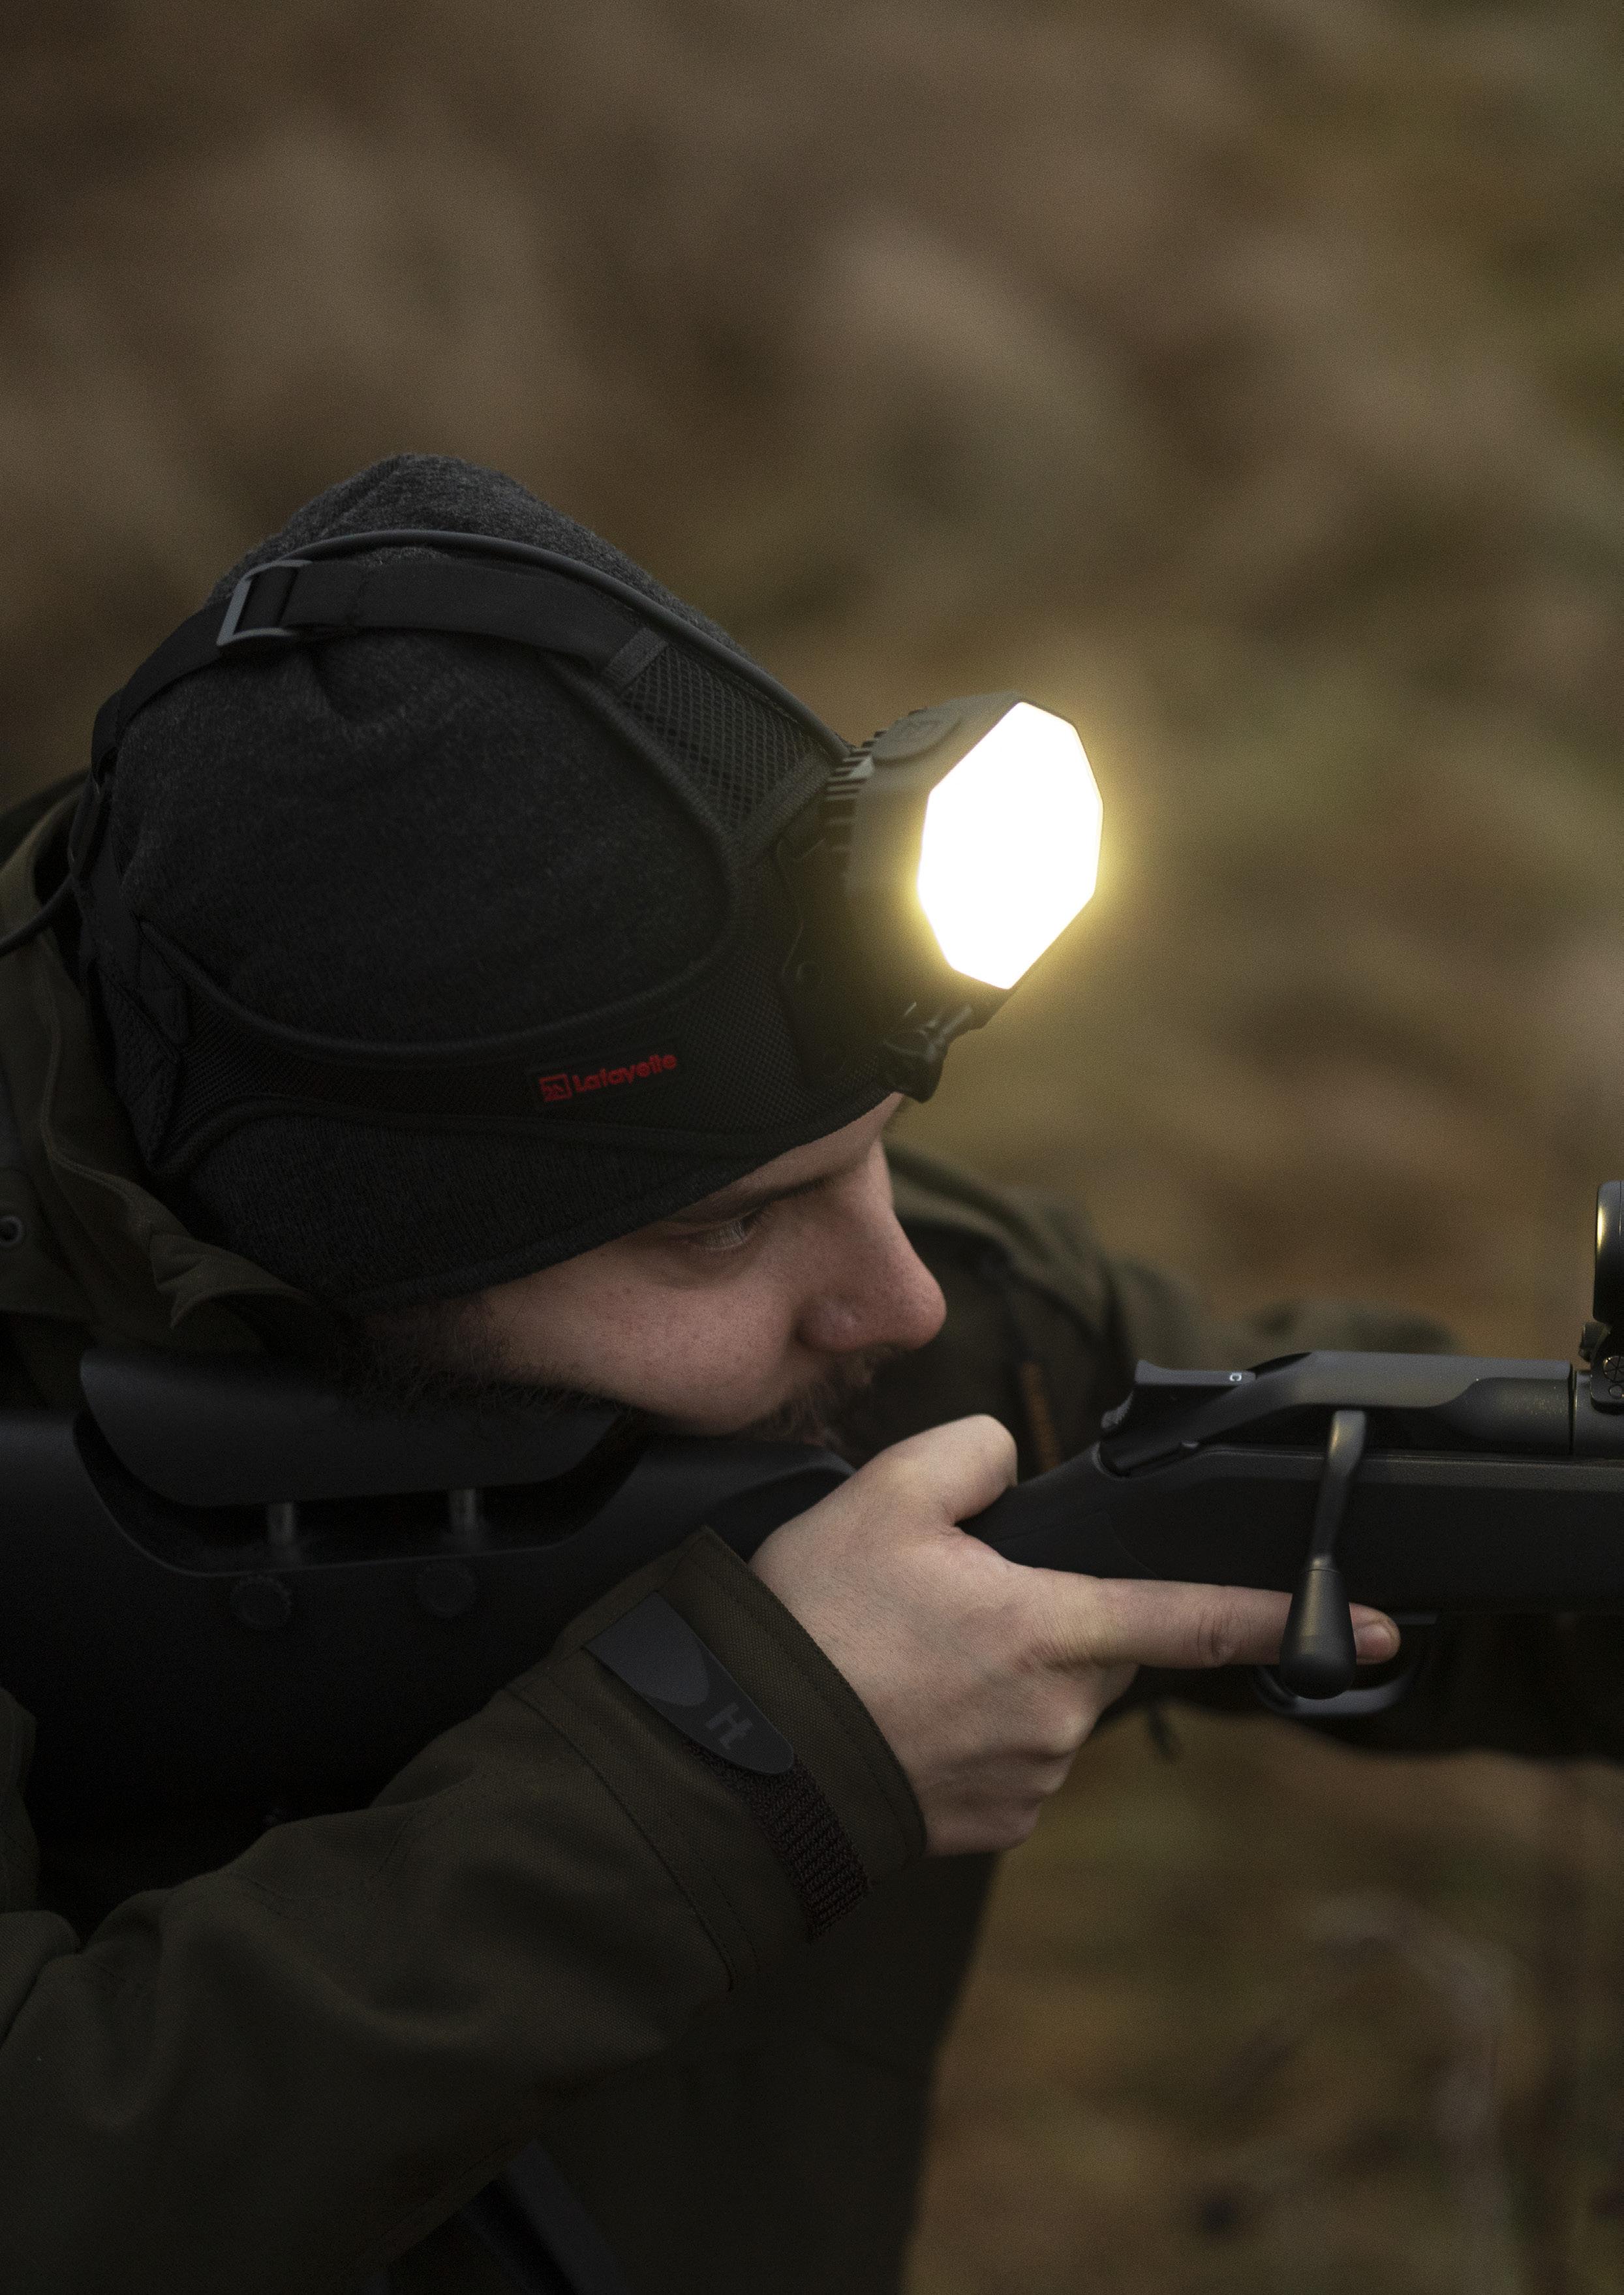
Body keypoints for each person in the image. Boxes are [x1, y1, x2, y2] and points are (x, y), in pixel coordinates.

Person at [0, 456, 1616, 2295]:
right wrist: (743, 1766)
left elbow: (1426, 1531)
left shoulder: (894, 1352)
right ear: (358, 1262)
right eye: (724, 1231)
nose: (902, 1301)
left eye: (873, 1157)